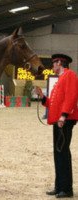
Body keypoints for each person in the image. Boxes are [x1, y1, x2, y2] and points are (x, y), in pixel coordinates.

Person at [35, 53, 78, 198]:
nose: (52, 66)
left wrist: (64, 115)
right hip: (60, 120)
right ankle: (60, 186)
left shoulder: (70, 75)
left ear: (60, 63)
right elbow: (53, 103)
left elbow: (71, 96)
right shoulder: (61, 79)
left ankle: (66, 189)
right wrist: (43, 97)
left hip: (64, 120)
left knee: (63, 152)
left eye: (54, 63)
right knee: (59, 153)